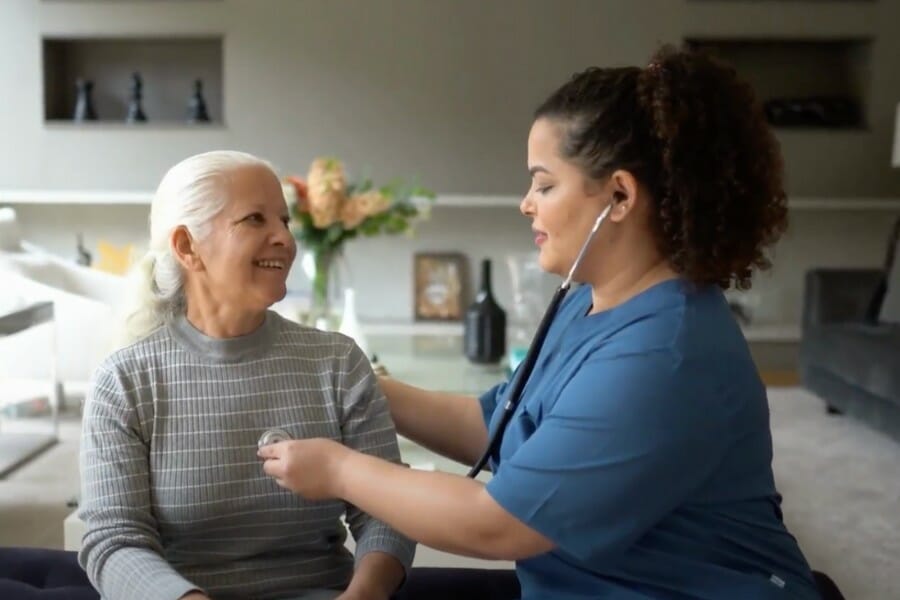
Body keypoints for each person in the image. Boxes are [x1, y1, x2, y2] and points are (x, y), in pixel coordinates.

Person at [257, 45, 824, 599]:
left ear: (620, 196)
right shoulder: (589, 300)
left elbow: (496, 524)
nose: (527, 202)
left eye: (545, 183)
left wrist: (338, 470)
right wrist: (360, 385)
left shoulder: (662, 356)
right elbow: (500, 425)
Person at [5, 150, 413, 600]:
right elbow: (114, 542)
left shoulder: (338, 362)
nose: (284, 238)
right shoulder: (125, 380)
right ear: (186, 247)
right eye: (255, 219)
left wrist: (362, 597)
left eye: (284, 219)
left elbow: (388, 513)